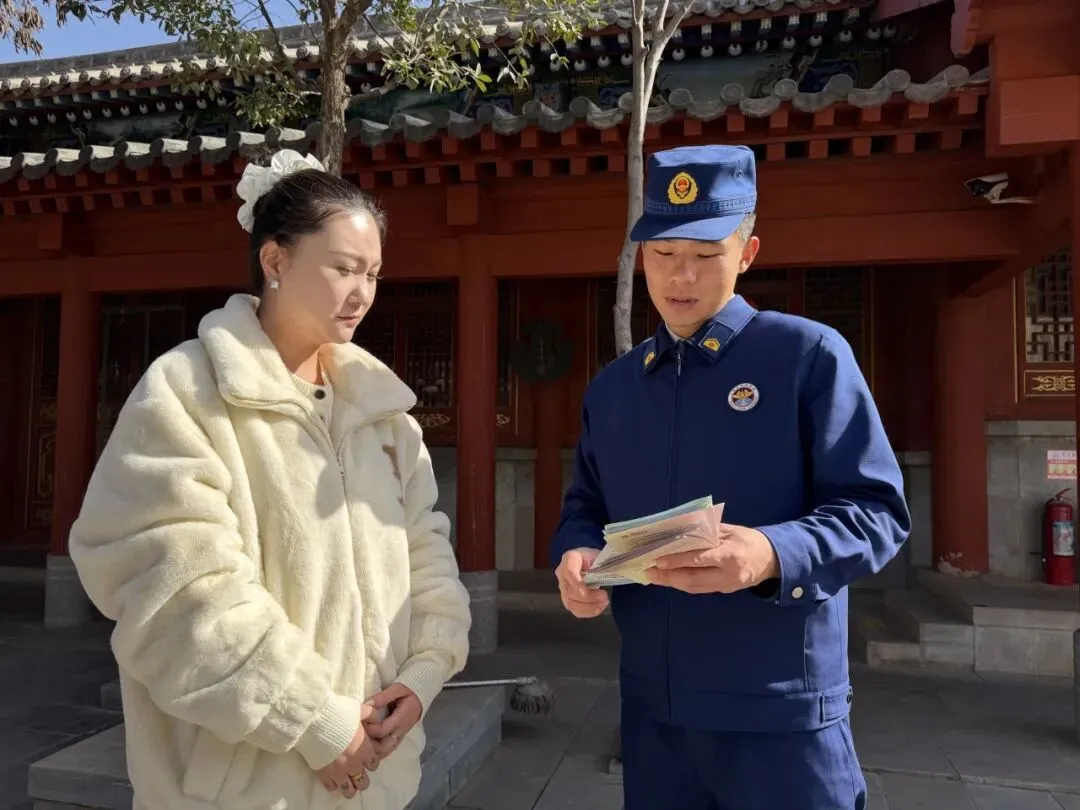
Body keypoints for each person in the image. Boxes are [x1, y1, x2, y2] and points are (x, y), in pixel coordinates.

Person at [68, 149, 472, 810]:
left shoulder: (385, 419)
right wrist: (317, 723)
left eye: (372, 273)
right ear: (275, 260)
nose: (362, 292)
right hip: (241, 788)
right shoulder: (186, 393)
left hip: (377, 776)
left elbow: (426, 556)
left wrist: (424, 673)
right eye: (342, 267)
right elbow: (178, 591)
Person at [551, 144, 910, 810]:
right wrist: (574, 553)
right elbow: (586, 505)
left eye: (706, 254)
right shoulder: (615, 388)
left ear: (747, 254)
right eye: (663, 252)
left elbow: (877, 510)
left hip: (780, 714)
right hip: (655, 715)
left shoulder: (806, 356)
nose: (680, 276)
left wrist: (773, 552)